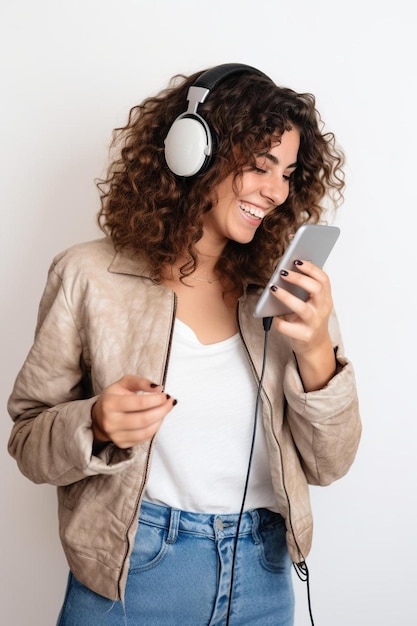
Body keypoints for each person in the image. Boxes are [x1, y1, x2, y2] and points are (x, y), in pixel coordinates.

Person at [7, 63, 361, 626]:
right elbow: (27, 440)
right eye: (259, 165)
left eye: (288, 173)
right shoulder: (88, 276)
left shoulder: (283, 291)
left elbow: (329, 466)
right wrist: (95, 424)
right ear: (191, 151)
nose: (275, 191)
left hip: (263, 576)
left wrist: (318, 351)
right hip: (134, 572)